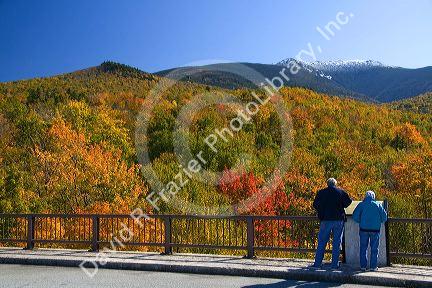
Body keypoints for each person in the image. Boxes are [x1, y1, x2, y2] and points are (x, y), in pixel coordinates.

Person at [312, 178, 352, 269]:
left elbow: (315, 204)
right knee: (337, 242)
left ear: (327, 184)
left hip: (325, 220)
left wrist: (322, 210)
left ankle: (317, 263)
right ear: (335, 184)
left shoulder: (321, 193)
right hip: (338, 220)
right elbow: (348, 203)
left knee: (322, 241)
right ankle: (334, 264)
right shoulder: (341, 192)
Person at [353, 190, 387, 271]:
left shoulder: (361, 204)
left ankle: (363, 266)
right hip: (375, 230)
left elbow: (355, 216)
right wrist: (379, 221)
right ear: (373, 197)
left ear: (366, 196)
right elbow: (384, 217)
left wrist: (360, 221)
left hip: (363, 229)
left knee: (363, 248)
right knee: (374, 249)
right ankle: (373, 267)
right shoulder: (378, 205)